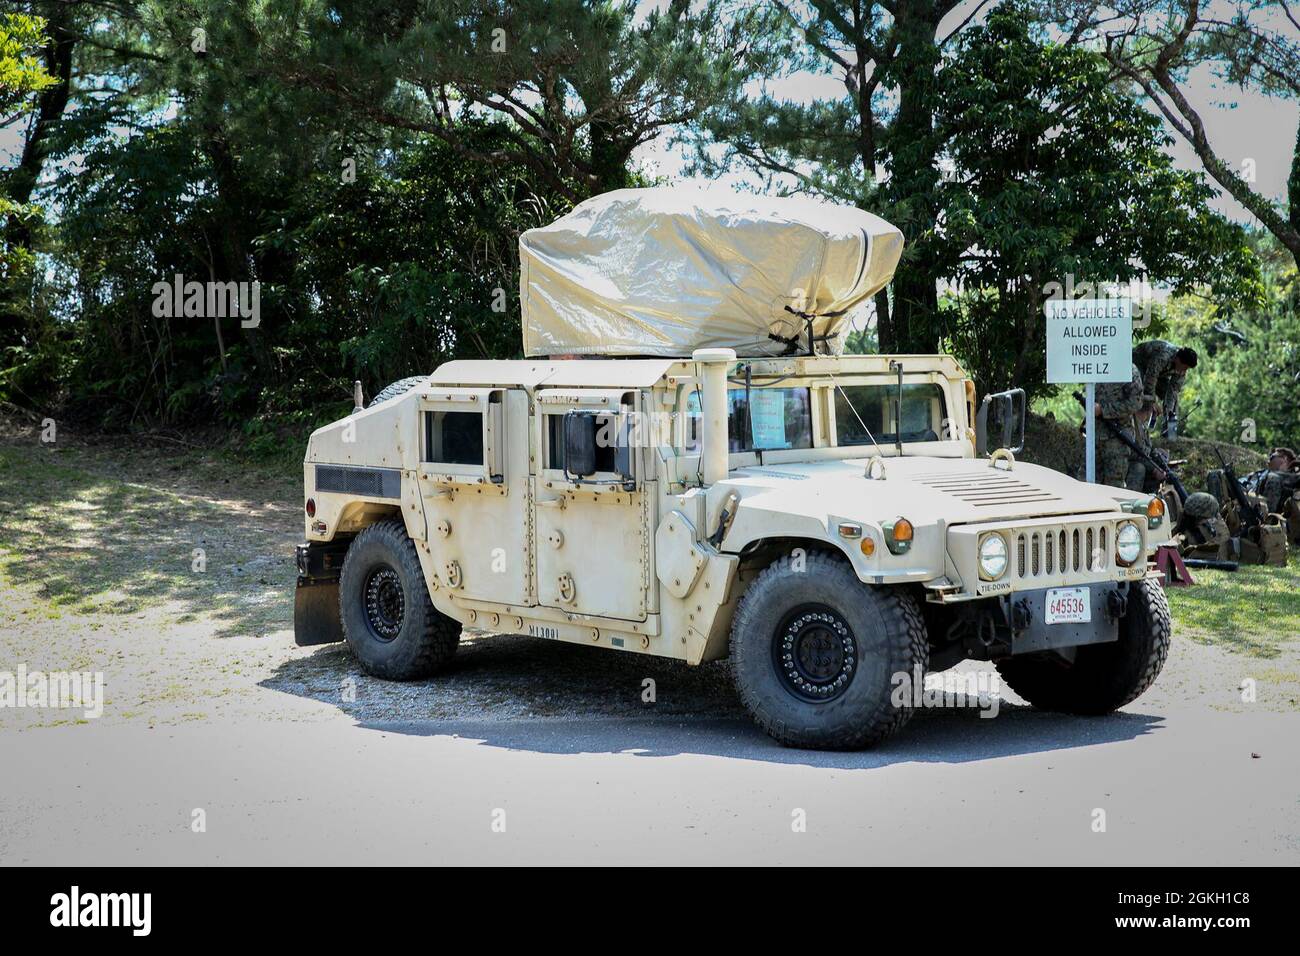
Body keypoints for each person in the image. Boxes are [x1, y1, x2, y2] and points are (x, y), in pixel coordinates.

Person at [1093, 363, 1146, 490]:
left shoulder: (1128, 369)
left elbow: (1136, 402)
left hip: (1116, 439)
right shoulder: (1095, 363)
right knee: (1085, 480)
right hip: (1093, 436)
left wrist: (1104, 410)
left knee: (1113, 486)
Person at [1132, 339, 1197, 436]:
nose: (1184, 371)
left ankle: (1170, 434)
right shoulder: (1163, 356)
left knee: (1174, 400)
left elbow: (1172, 391)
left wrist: (1169, 411)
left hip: (1157, 374)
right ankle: (1139, 432)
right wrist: (1152, 401)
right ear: (1177, 360)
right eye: (1184, 367)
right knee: (1144, 397)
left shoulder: (1181, 368)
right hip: (1138, 364)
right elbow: (1150, 378)